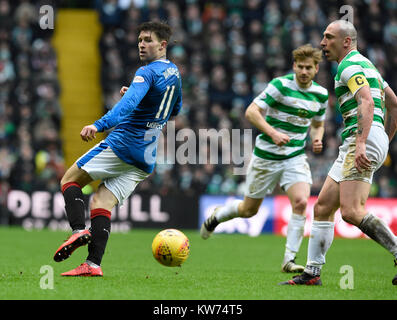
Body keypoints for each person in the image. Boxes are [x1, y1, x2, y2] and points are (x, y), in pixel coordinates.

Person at [53, 21, 182, 276]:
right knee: (101, 201)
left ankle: (79, 230)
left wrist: (99, 124)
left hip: (123, 145)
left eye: (147, 40)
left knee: (69, 181)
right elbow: (174, 109)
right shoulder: (174, 73)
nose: (141, 45)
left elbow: (125, 106)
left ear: (162, 44)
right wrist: (140, 97)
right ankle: (92, 265)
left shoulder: (147, 72)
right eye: (139, 40)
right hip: (145, 157)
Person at [279, 20, 397, 286]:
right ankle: (312, 273)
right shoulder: (370, 67)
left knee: (352, 211)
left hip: (360, 138)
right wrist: (384, 140)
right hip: (363, 138)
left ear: (346, 41)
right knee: (322, 208)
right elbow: (394, 104)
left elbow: (365, 100)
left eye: (328, 37)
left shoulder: (348, 65)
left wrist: (365, 142)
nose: (322, 43)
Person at [200, 44, 328, 273]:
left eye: (309, 68)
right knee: (249, 210)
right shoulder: (279, 86)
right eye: (300, 67)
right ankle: (217, 216)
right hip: (266, 156)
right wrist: (273, 132)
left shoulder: (321, 94)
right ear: (294, 66)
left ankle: (289, 260)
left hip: (295, 156)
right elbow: (251, 111)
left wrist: (317, 138)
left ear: (316, 68)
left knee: (300, 202)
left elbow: (318, 123)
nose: (304, 71)